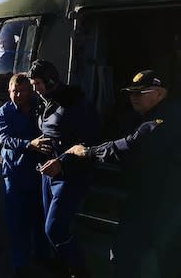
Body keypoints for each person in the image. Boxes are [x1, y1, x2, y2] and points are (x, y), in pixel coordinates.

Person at [43, 70, 181, 278]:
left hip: (159, 202)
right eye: (131, 93)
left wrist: (86, 152)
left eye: (141, 92)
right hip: (155, 196)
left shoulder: (160, 122)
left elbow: (128, 146)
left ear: (160, 93)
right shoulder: (158, 115)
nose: (133, 97)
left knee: (128, 255)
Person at [27, 59, 98, 278]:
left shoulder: (75, 102)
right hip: (48, 173)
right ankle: (63, 266)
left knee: (54, 228)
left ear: (50, 80)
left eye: (38, 83)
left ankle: (80, 271)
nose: (34, 88)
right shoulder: (45, 100)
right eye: (32, 83)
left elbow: (89, 142)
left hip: (69, 174)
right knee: (50, 228)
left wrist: (62, 161)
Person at [0, 73, 50, 278]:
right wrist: (30, 145)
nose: (18, 95)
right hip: (15, 175)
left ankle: (43, 255)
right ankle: (21, 265)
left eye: (22, 91)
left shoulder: (39, 107)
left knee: (40, 218)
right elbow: (6, 139)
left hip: (37, 173)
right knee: (17, 223)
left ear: (30, 91)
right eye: (14, 91)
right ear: (8, 91)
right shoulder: (2, 114)